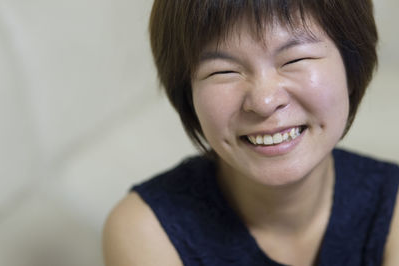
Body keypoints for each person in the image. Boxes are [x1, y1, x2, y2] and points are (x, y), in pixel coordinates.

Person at [103, 0, 399, 265]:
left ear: (351, 70)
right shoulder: (146, 230)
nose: (264, 102)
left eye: (295, 60)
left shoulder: (392, 205)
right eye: (223, 71)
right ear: (189, 97)